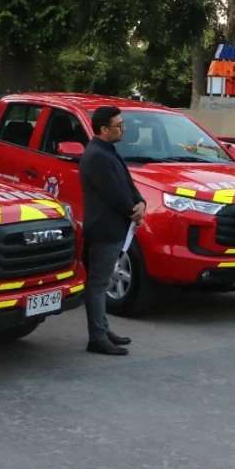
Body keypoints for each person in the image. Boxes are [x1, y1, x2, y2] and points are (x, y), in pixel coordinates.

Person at [79, 106, 145, 356]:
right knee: (98, 285)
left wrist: (141, 202)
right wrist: (133, 209)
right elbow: (114, 194)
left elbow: (127, 184)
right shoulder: (96, 155)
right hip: (104, 229)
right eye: (119, 125)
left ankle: (103, 329)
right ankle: (97, 337)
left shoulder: (109, 151)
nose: (123, 129)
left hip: (116, 226)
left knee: (102, 281)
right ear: (104, 129)